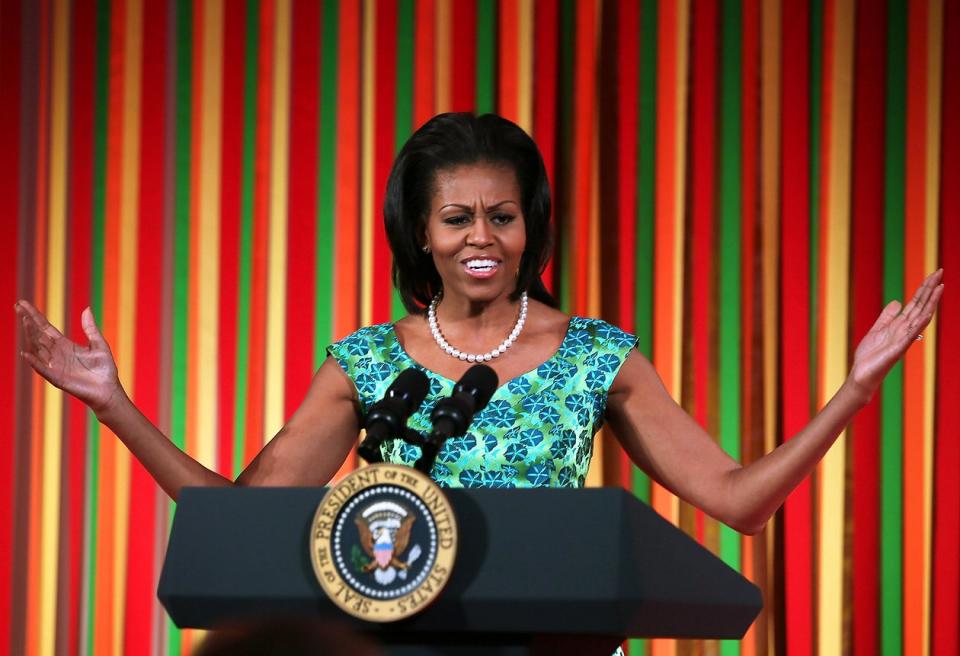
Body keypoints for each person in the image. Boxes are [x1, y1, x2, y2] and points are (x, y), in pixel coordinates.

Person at [15, 113, 943, 535]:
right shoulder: (368, 362)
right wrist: (113, 406)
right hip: (386, 639)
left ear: (532, 222)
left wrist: (855, 390)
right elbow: (239, 518)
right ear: (421, 232)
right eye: (456, 218)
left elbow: (741, 503)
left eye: (502, 215)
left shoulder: (596, 355)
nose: (481, 238)